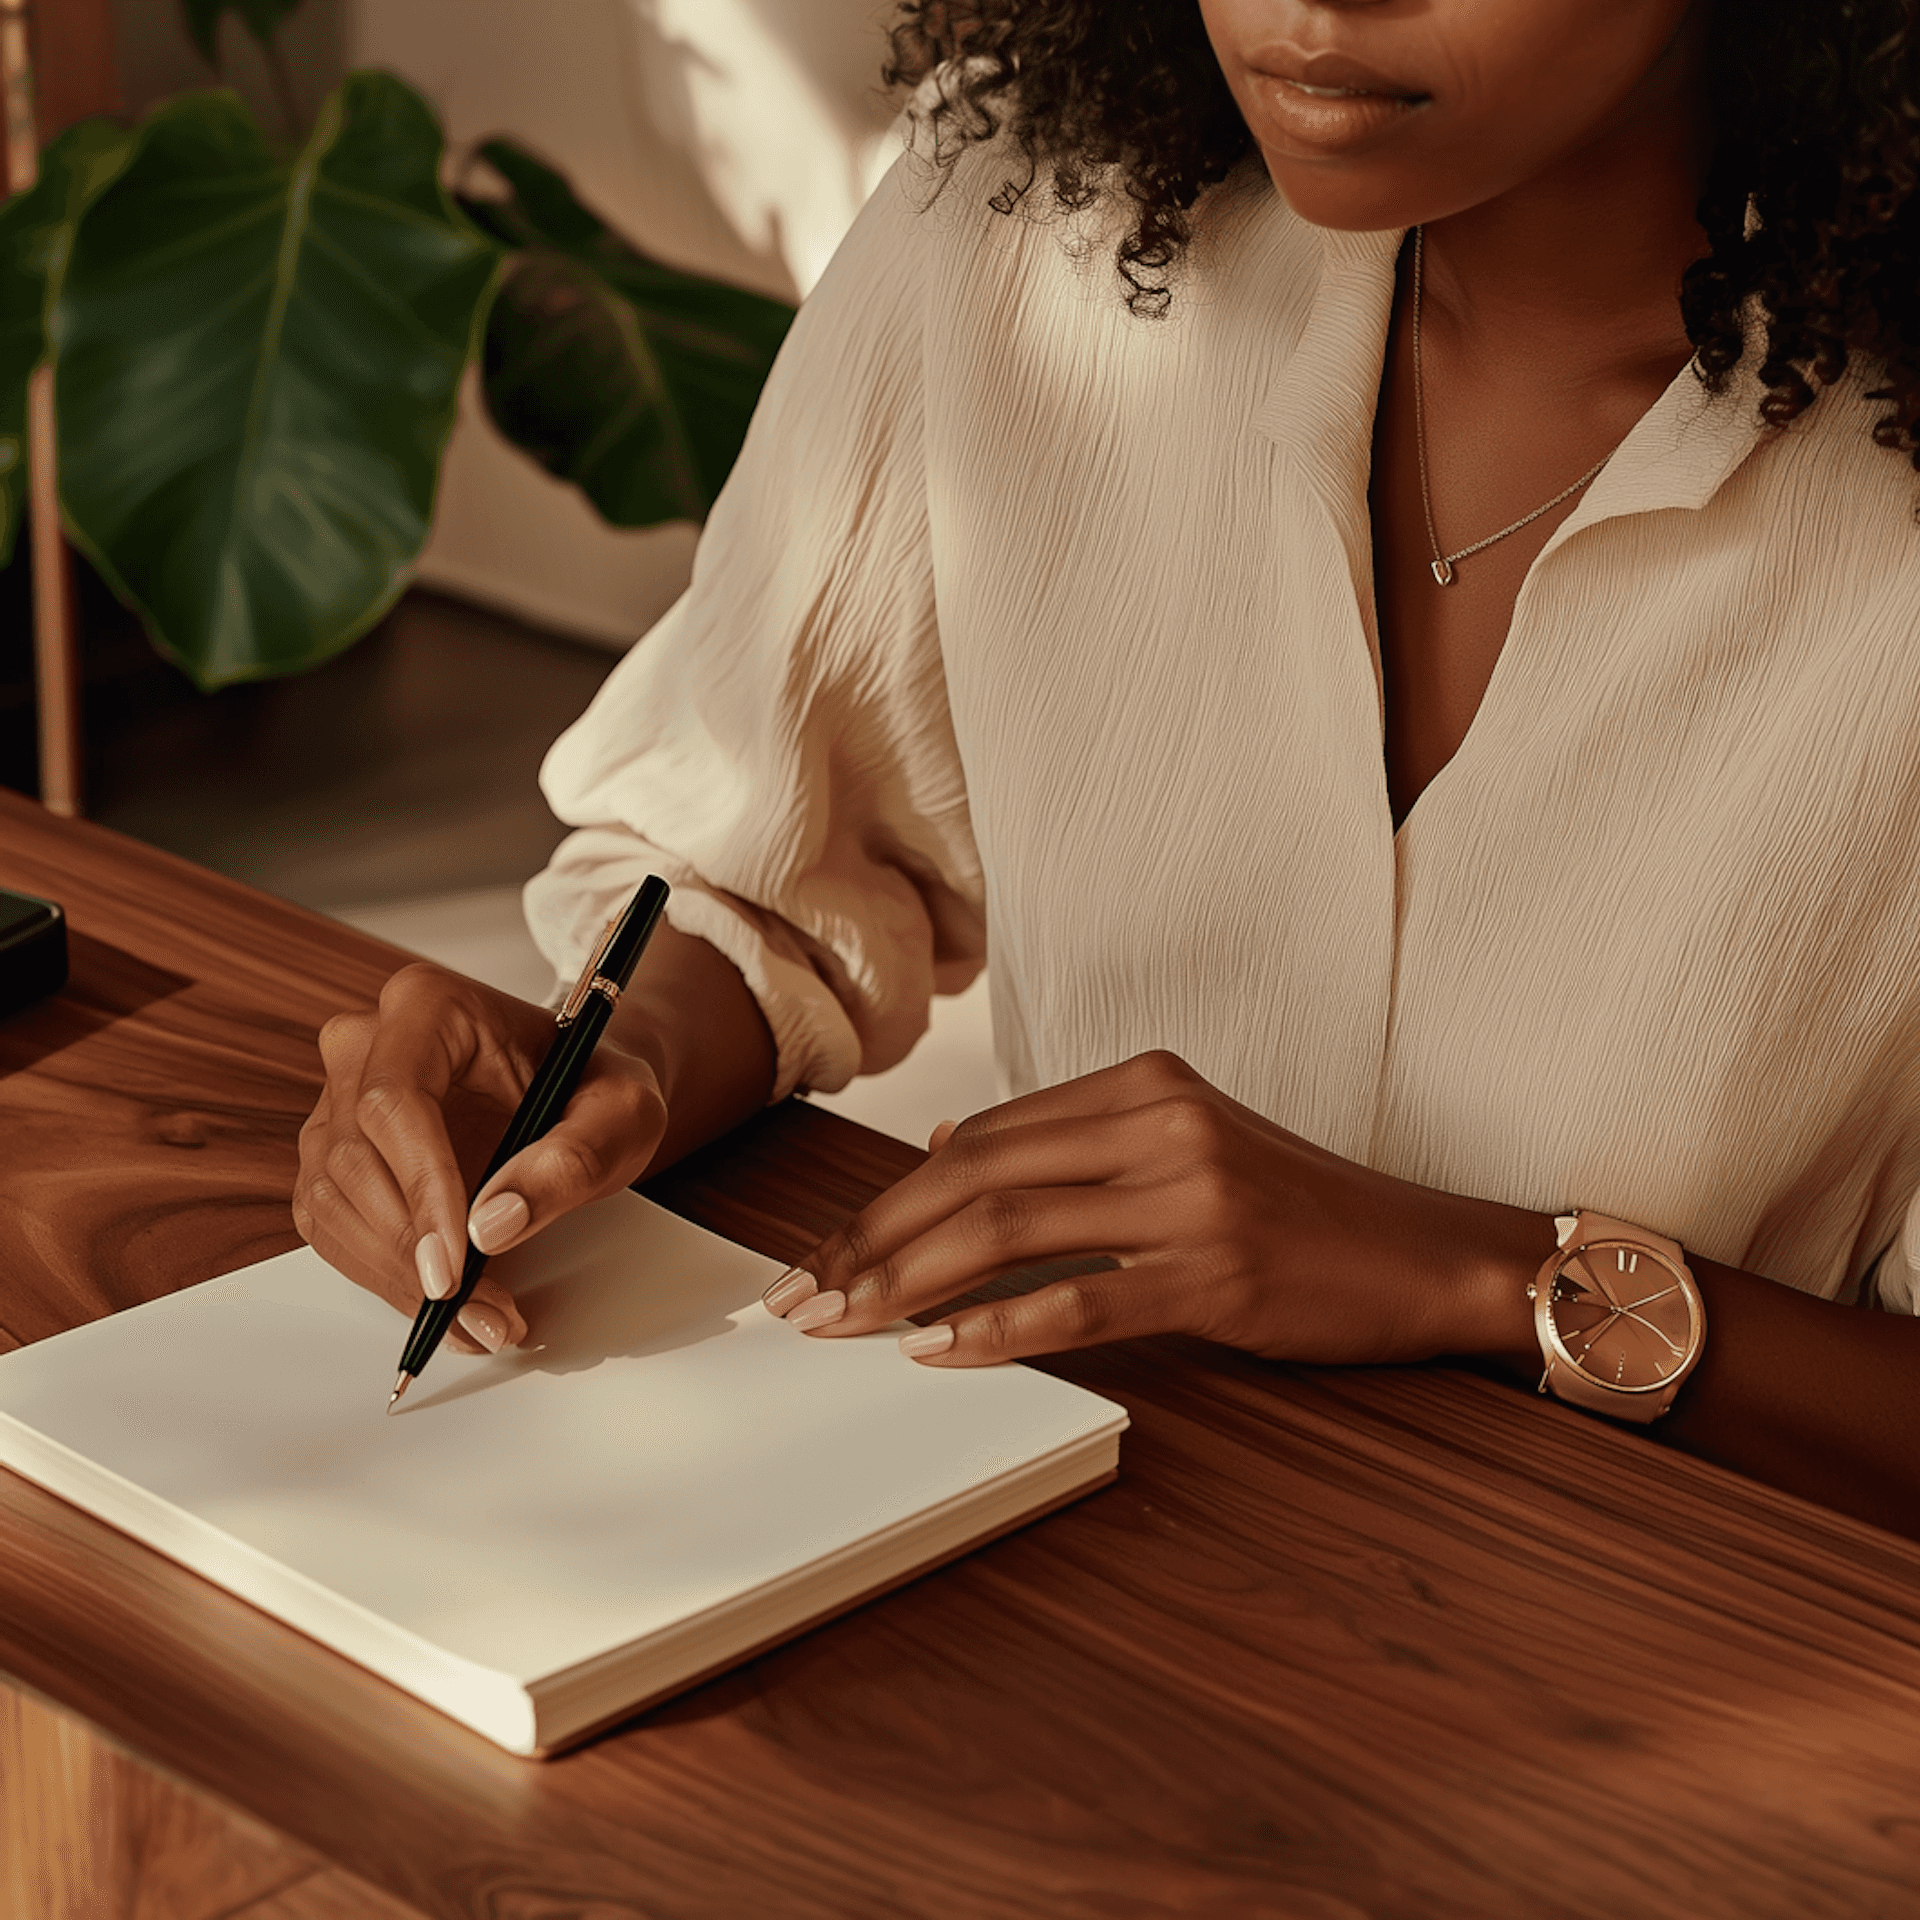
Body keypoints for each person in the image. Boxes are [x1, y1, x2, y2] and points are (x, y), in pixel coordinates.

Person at [294, 0, 1920, 1538]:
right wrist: (613, 1065)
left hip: (1678, 1643)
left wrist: (1479, 1278)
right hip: (1056, 1543)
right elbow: (759, 871)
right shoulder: (1027, 218)